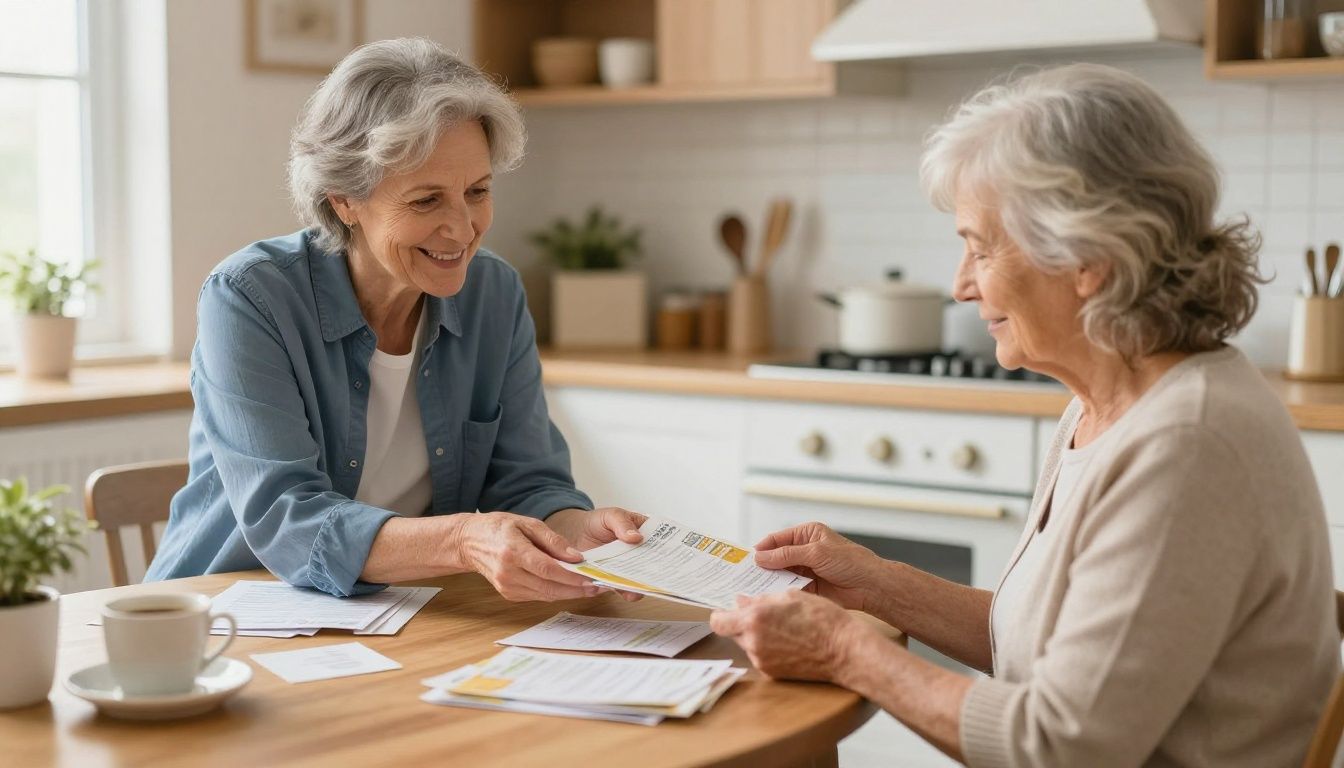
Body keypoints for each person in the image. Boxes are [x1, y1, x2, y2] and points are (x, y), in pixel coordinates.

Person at [710, 63, 1339, 767]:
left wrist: (840, 646)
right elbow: (1047, 649)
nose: (961, 285)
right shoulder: (1104, 404)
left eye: (981, 246)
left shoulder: (1187, 445)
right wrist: (876, 584)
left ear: (1087, 258)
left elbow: (1061, 746)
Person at [146, 38, 644, 600]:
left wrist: (581, 529)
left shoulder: (495, 293)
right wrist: (462, 540)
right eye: (426, 201)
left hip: (400, 616)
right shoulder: (249, 298)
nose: (463, 229)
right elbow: (289, 520)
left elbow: (527, 482)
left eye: (477, 191)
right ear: (343, 201)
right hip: (227, 615)